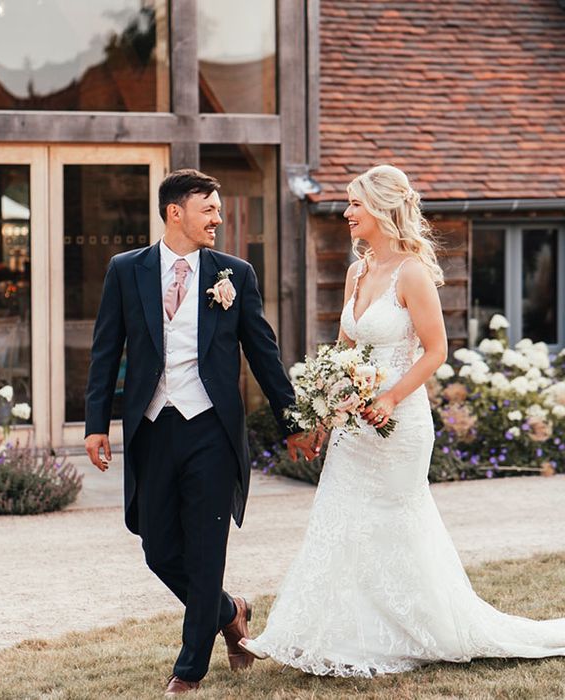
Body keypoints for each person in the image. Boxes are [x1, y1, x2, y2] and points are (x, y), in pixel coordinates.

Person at [238, 164, 565, 675]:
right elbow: (342, 352)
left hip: (400, 425)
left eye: (354, 204)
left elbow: (436, 351)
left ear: (383, 208)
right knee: (339, 522)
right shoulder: (356, 271)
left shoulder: (412, 272)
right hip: (353, 427)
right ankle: (314, 633)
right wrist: (324, 410)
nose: (346, 212)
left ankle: (408, 632)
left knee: (391, 525)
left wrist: (389, 398)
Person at [84, 169, 314, 696]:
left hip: (211, 428)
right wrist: (96, 424)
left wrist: (292, 421)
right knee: (158, 548)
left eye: (218, 209)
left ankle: (189, 669)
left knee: (207, 549)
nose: (217, 218)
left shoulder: (235, 273)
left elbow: (264, 352)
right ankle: (231, 610)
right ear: (175, 213)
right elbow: (105, 351)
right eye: (208, 209)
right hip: (152, 426)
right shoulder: (127, 270)